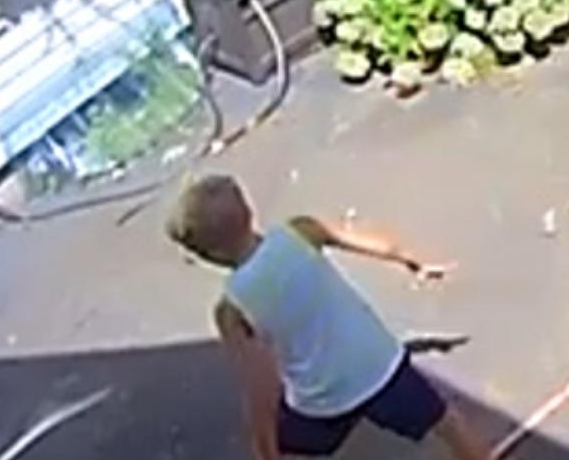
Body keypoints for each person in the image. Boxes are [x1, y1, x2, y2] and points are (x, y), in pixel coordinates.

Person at [166, 175, 491, 460]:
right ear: (249, 212)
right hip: (379, 367)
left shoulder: (231, 309)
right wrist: (412, 260)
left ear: (210, 255)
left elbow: (259, 388)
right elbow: (374, 242)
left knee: (293, 450)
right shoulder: (300, 231)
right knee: (447, 424)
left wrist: (264, 448)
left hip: (321, 398)